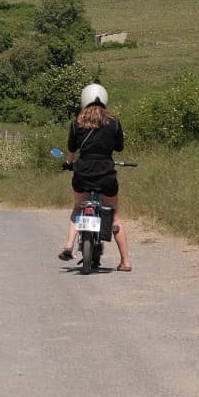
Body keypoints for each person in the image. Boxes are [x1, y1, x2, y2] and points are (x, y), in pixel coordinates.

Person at [59, 83, 131, 271]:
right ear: (104, 100)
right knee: (115, 217)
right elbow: (119, 147)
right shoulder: (114, 123)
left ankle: (69, 245)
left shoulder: (76, 123)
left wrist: (69, 163)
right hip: (106, 174)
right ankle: (125, 261)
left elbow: (71, 150)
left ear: (84, 100)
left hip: (83, 173)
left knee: (77, 208)